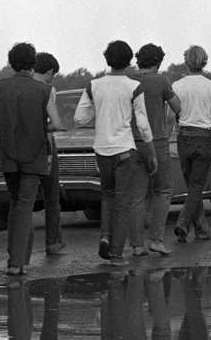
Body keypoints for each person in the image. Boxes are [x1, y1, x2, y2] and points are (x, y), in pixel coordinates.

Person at [73, 40, 157, 265]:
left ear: (107, 59)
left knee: (108, 196)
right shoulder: (134, 86)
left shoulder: (93, 85)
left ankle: (104, 237)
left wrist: (100, 113)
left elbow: (80, 118)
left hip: (102, 150)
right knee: (123, 201)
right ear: (129, 61)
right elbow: (143, 124)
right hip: (124, 150)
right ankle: (117, 253)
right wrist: (150, 152)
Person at [0, 43, 63, 275]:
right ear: (32, 64)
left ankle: (18, 257)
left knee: (16, 203)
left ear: (11, 62)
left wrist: (6, 119)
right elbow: (56, 124)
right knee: (24, 205)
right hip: (34, 155)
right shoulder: (44, 90)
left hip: (8, 153)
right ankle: (16, 262)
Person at [171, 45, 211, 243]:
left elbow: (170, 115)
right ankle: (183, 222)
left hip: (183, 137)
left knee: (192, 185)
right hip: (203, 137)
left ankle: (202, 230)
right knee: (197, 185)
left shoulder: (177, 86)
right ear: (204, 62)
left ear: (186, 61)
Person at [130, 43, 182, 256]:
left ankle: (136, 245)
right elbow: (177, 106)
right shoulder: (161, 80)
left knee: (137, 195)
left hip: (133, 142)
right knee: (162, 190)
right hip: (158, 141)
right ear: (159, 62)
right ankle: (157, 240)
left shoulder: (131, 82)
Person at [32, 52, 66, 255]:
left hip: (22, 143)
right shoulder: (48, 90)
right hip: (44, 141)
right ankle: (53, 241)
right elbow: (54, 122)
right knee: (51, 193)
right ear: (50, 72)